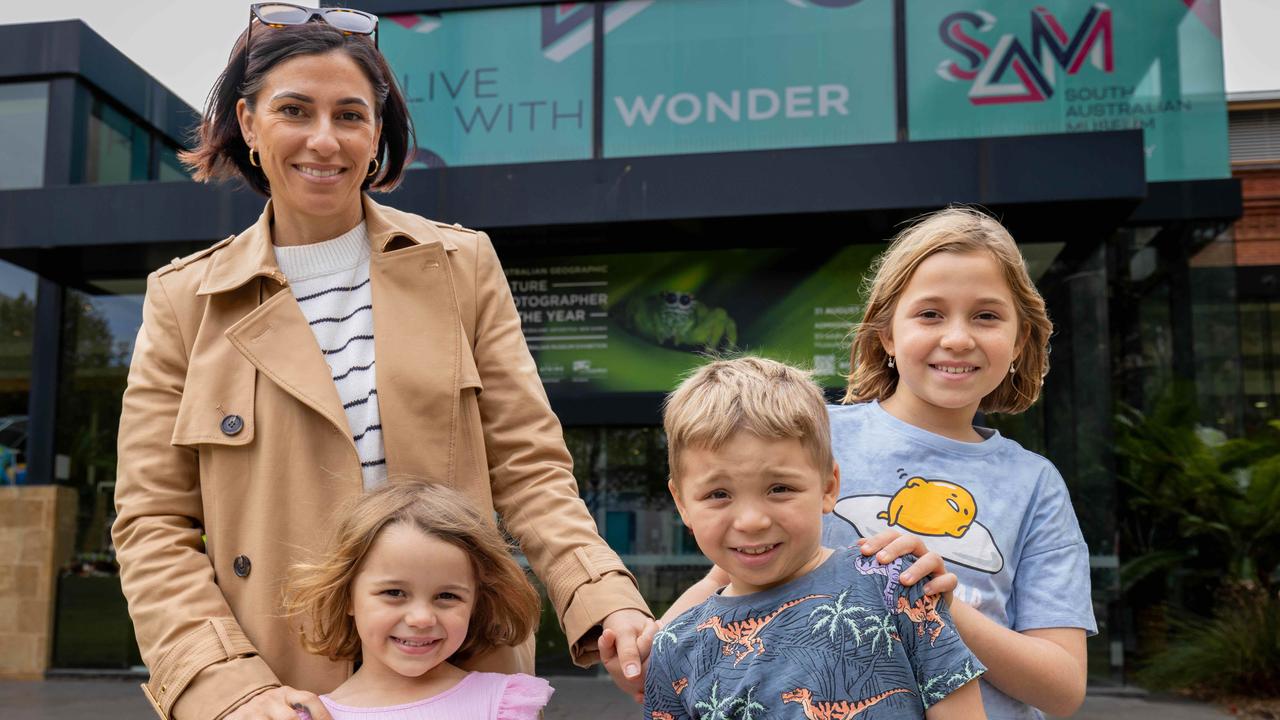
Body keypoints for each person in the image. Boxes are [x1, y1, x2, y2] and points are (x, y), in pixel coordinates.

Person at [111, 7, 652, 720]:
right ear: (248, 123)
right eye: (294, 110)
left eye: (350, 114)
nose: (323, 140)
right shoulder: (186, 299)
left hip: (460, 673)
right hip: (279, 687)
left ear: (378, 133)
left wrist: (604, 599)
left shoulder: (462, 264)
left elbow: (529, 467)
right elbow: (152, 523)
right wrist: (227, 687)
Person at [661, 208, 1096, 719]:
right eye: (930, 314)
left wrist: (935, 602)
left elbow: (1063, 689)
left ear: (1020, 340)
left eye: (986, 315)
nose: (957, 337)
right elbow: (725, 579)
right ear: (887, 333)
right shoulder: (817, 434)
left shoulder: (1036, 484)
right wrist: (651, 647)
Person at [641, 357, 986, 720]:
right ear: (681, 503)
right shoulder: (673, 651)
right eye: (718, 494)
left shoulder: (895, 582)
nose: (752, 521)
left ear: (828, 486)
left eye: (779, 488)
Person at [285, 481, 552, 720]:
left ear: (475, 604)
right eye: (394, 593)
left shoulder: (502, 704)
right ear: (347, 597)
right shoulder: (316, 716)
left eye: (447, 596)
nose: (422, 618)